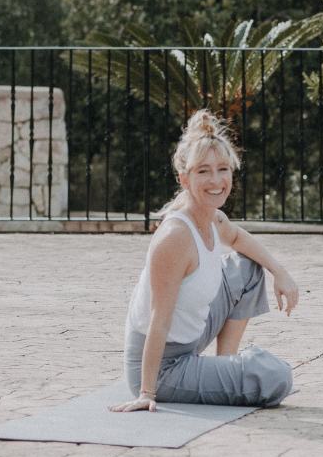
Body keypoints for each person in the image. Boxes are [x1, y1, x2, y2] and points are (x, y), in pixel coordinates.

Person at [110, 110, 299, 412]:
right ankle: (229, 371)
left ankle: (225, 364)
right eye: (203, 171)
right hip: (164, 367)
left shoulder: (212, 218)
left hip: (191, 336)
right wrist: (146, 392)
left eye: (223, 169)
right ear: (185, 179)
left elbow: (239, 239)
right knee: (274, 377)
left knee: (249, 267)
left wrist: (280, 272)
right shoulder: (175, 238)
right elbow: (159, 320)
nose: (216, 180)